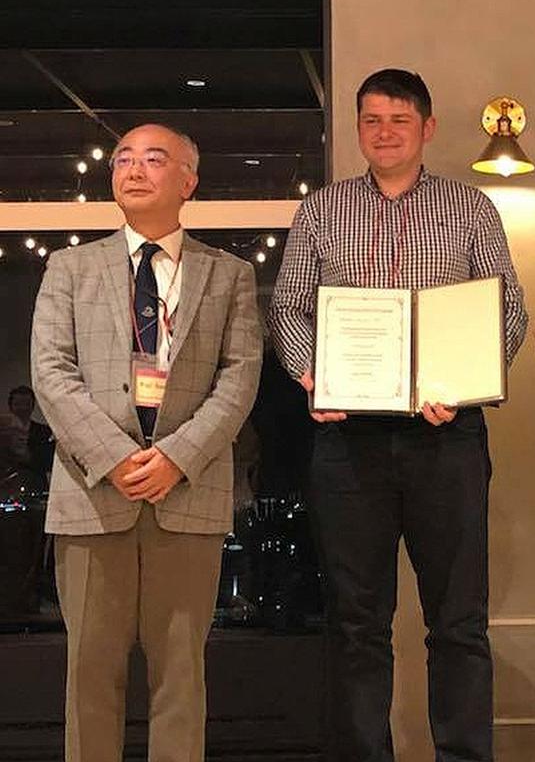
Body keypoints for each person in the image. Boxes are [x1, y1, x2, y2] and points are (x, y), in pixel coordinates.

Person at [268, 69, 528, 762]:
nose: (383, 132)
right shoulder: (320, 211)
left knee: (458, 623)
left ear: (427, 128)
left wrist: (466, 383)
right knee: (356, 623)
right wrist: (309, 373)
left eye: (398, 120)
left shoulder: (469, 208)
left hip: (446, 434)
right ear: (357, 127)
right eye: (370, 119)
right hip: (346, 439)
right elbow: (288, 306)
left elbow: (505, 308)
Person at [31, 123, 263, 762]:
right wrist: (113, 459)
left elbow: (239, 380)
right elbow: (50, 372)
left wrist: (176, 459)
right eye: (123, 158)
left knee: (181, 681)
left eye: (154, 159)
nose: (133, 169)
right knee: (89, 679)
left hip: (187, 497)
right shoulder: (68, 268)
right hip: (89, 496)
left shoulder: (230, 276)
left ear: (188, 181)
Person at [0, 385, 54, 490]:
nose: (23, 408)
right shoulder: (3, 432)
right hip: (5, 487)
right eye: (18, 404)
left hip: (36, 487)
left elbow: (49, 463)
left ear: (32, 406)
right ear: (10, 406)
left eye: (27, 404)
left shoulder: (45, 432)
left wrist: (29, 456)